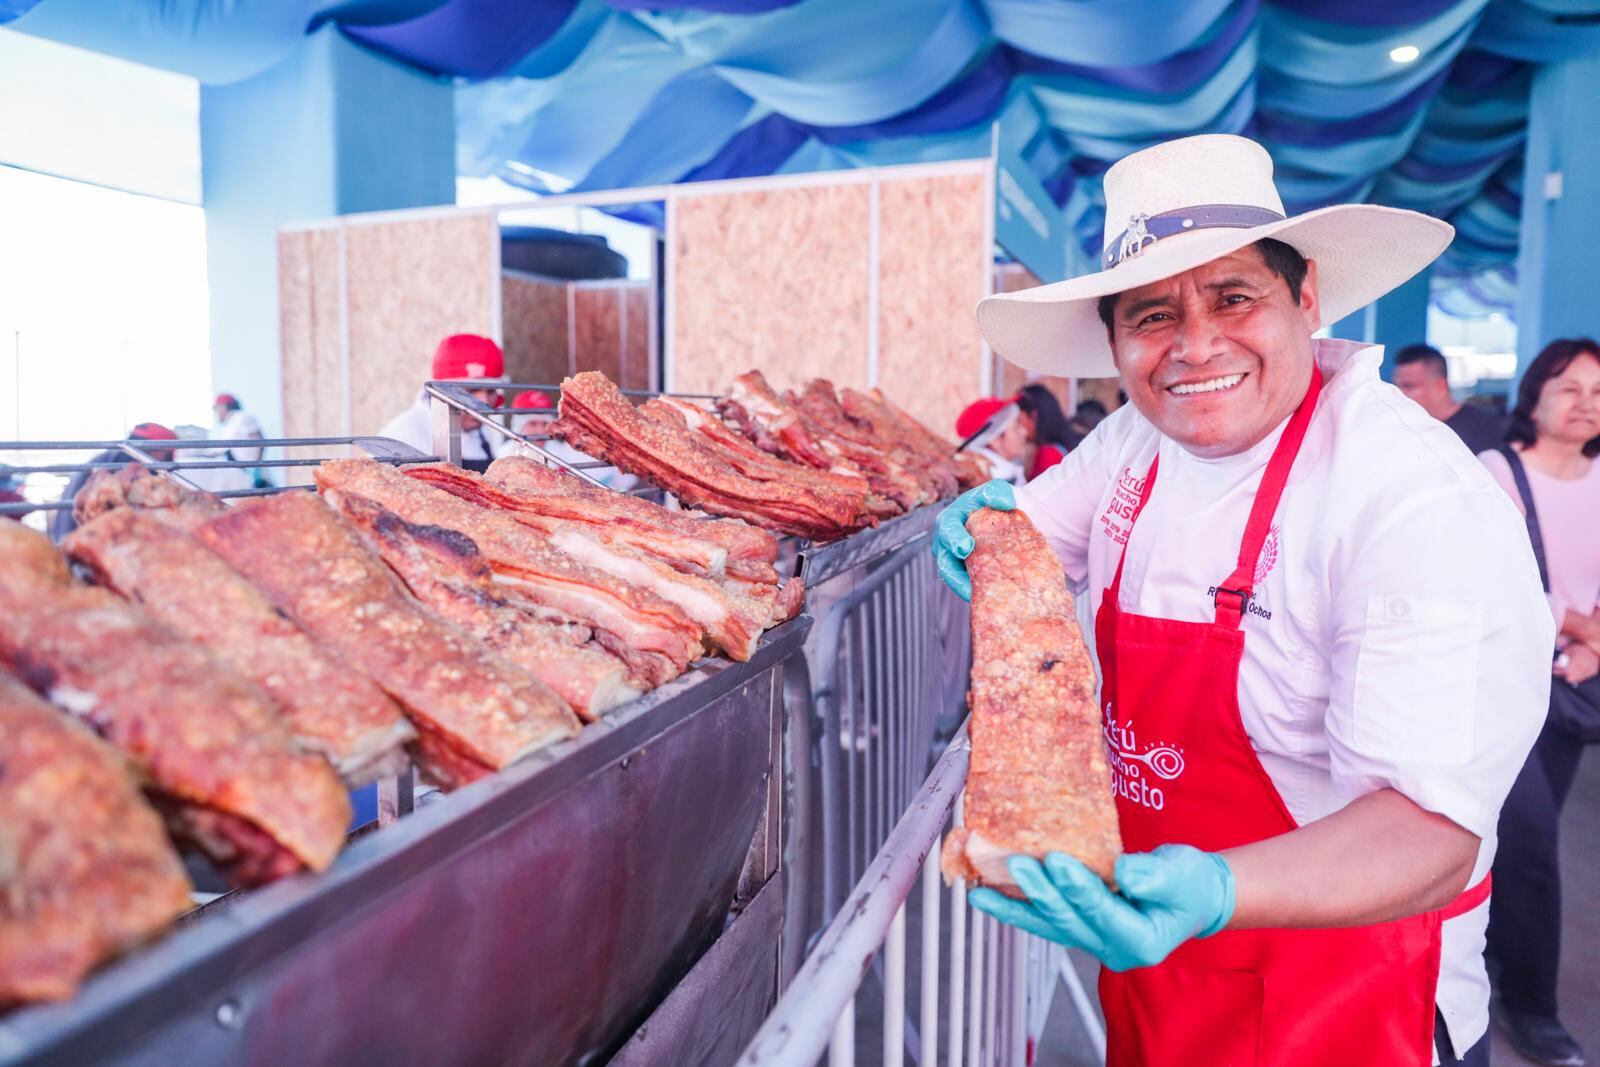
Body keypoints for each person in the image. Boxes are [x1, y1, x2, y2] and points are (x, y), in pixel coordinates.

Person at [934, 134, 1550, 1065]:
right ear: (1113, 341)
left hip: (1345, 992)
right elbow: (1028, 534)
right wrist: (979, 530)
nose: (1194, 346)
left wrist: (1216, 891)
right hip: (1159, 977)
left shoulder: (1413, 501)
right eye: (1151, 314)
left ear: (1303, 296)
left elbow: (1432, 835)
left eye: (1233, 296)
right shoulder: (1135, 442)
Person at [1477, 338, 1600, 1067]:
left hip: (1571, 684)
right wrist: (1580, 626)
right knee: (1530, 848)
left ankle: (1486, 960)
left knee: (1521, 840)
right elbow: (1491, 578)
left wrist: (1592, 644)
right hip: (1500, 679)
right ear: (1536, 393)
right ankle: (1532, 1008)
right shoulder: (1500, 471)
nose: (1586, 402)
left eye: (1598, 390)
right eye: (1570, 387)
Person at [380, 334, 511, 472]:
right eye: (472, 391)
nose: (484, 402)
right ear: (441, 392)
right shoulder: (404, 433)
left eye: (490, 391)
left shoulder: (482, 431)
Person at [50, 422, 178, 540]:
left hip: (64, 538)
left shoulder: (104, 460)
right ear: (159, 450)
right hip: (80, 545)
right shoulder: (130, 469)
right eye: (168, 456)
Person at [1393, 344, 1506, 455]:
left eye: (1409, 386)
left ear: (1440, 385)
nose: (1398, 393)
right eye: (1395, 386)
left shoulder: (1485, 430)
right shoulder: (1400, 429)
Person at [955, 396, 1030, 485]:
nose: (1025, 432)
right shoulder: (996, 483)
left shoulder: (1008, 475)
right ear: (996, 440)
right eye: (1017, 427)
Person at [1015, 383, 1078, 478]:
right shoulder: (1056, 449)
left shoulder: (1049, 455)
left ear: (1033, 416)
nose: (1020, 429)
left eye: (1019, 421)